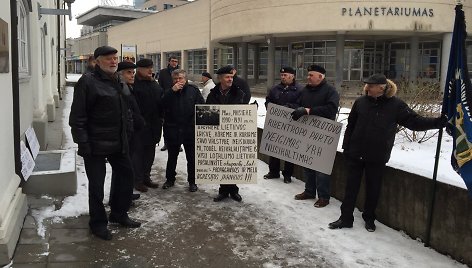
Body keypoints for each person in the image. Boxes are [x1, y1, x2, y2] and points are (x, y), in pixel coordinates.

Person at [328, 74, 447, 232]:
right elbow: (351, 126)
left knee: (373, 189)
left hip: (377, 155)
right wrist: (347, 147)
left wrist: (438, 123)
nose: (367, 88)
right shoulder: (360, 102)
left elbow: (414, 121)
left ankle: (369, 219)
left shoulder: (396, 105)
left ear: (382, 88)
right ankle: (345, 218)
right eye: (367, 85)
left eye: (371, 85)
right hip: (356, 153)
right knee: (350, 188)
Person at [69, 46, 141, 241]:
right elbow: (77, 117)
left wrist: (129, 131)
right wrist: (83, 143)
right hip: (95, 143)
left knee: (127, 176)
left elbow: (125, 109)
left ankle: (119, 213)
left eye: (115, 58)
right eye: (108, 58)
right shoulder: (88, 82)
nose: (113, 61)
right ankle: (98, 223)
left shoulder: (118, 80)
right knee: (97, 186)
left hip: (119, 141)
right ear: (97, 61)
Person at [291, 65, 340, 208]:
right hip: (307, 132)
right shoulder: (305, 90)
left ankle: (324, 197)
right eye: (308, 74)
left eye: (311, 75)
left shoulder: (331, 91)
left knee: (321, 168)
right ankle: (309, 191)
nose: (308, 77)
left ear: (321, 77)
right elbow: (298, 104)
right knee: (307, 164)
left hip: (324, 135)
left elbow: (331, 109)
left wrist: (309, 110)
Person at [161, 69, 204, 192]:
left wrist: (195, 124)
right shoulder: (168, 91)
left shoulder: (193, 90)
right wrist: (171, 92)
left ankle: (192, 181)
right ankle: (170, 179)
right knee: (172, 157)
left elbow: (201, 107)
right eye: (175, 79)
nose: (178, 81)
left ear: (185, 79)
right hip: (173, 129)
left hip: (189, 130)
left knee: (191, 158)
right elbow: (161, 105)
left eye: (180, 78)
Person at [207, 66, 245, 202]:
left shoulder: (239, 93)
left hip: (234, 133)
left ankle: (234, 190)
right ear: (220, 78)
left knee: (232, 161)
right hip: (218, 133)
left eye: (231, 77)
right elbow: (209, 111)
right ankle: (223, 190)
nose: (230, 79)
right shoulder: (213, 93)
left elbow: (242, 112)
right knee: (222, 161)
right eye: (227, 77)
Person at [109, 61, 144, 205]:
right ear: (120, 74)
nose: (133, 75)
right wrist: (138, 120)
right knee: (123, 171)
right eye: (129, 72)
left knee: (126, 169)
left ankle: (126, 193)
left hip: (131, 133)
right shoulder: (120, 90)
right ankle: (120, 199)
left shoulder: (127, 87)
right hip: (125, 135)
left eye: (133, 72)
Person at [264, 66, 303, 183]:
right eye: (281, 75)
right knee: (274, 148)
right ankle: (273, 171)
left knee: (288, 150)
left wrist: (289, 108)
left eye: (285, 75)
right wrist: (269, 107)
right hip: (276, 123)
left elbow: (300, 104)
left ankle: (287, 174)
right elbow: (268, 100)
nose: (282, 77)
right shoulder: (275, 88)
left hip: (291, 124)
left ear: (292, 76)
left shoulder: (300, 90)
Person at [132, 59, 163, 192]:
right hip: (139, 127)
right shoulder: (133, 84)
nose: (151, 70)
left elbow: (160, 100)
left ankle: (146, 177)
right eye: (147, 68)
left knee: (149, 155)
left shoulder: (154, 84)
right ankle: (137, 181)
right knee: (138, 155)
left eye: (151, 67)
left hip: (154, 126)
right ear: (139, 69)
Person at [158, 56, 181, 152]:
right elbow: (160, 85)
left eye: (176, 61)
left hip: (178, 99)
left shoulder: (180, 72)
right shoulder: (163, 72)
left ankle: (178, 144)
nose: (174, 63)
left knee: (178, 123)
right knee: (166, 123)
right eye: (173, 61)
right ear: (169, 62)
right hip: (167, 99)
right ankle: (167, 143)